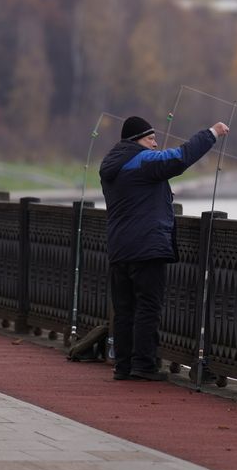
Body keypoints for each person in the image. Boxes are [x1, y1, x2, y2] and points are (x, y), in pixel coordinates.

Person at [99, 115, 230, 381]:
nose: (156, 144)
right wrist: (211, 133)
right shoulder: (143, 160)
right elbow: (180, 158)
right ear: (137, 140)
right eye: (151, 138)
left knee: (124, 310)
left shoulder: (112, 164)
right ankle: (144, 366)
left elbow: (136, 192)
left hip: (119, 248)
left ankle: (122, 366)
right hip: (146, 247)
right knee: (148, 306)